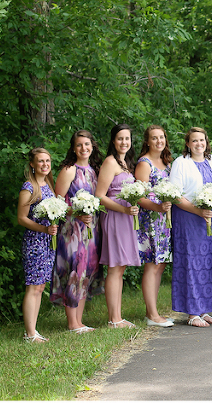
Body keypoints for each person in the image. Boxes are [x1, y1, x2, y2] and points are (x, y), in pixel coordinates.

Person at [169, 127, 212, 328]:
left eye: (201, 140)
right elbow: (175, 195)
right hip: (189, 218)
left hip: (211, 218)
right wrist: (197, 211)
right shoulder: (180, 163)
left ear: (206, 142)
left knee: (209, 262)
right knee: (192, 262)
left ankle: (204, 309)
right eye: (194, 141)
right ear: (188, 143)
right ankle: (192, 313)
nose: (198, 144)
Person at [50, 130, 105, 333]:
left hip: (91, 230)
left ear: (92, 146)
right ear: (74, 148)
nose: (84, 148)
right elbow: (56, 203)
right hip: (72, 230)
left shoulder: (94, 171)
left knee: (86, 272)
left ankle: (79, 321)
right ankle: (72, 322)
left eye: (87, 144)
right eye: (79, 145)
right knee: (75, 270)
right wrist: (77, 213)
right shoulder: (69, 170)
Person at [97, 123, 141, 329]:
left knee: (120, 268)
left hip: (126, 219)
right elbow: (99, 196)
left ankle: (117, 316)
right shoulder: (110, 162)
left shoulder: (126, 164)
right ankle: (114, 319)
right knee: (115, 267)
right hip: (115, 218)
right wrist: (123, 210)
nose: (124, 142)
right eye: (120, 138)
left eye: (127, 139)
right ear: (113, 141)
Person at [17, 147, 58, 343]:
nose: (45, 165)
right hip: (35, 242)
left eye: (47, 161)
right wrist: (43, 230)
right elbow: (22, 218)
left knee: (40, 286)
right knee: (33, 286)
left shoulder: (48, 183)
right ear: (32, 164)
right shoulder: (29, 187)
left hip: (48, 242)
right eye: (40, 161)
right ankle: (30, 333)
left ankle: (33, 331)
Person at [135, 125, 174, 327]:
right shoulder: (145, 163)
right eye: (154, 138)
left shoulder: (167, 162)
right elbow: (139, 197)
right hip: (150, 219)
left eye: (161, 137)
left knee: (160, 265)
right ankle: (151, 315)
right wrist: (158, 207)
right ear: (147, 141)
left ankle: (154, 311)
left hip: (164, 221)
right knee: (152, 264)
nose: (159, 141)